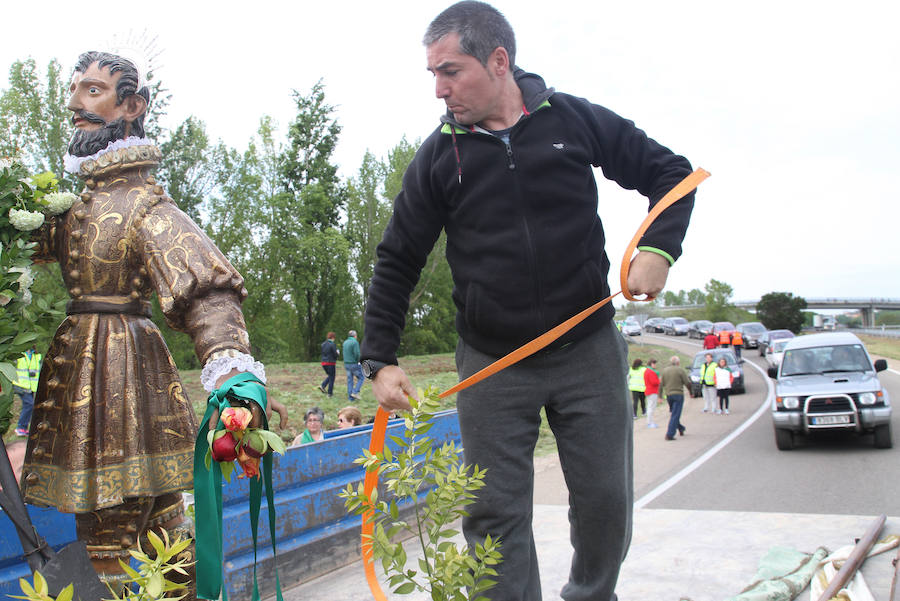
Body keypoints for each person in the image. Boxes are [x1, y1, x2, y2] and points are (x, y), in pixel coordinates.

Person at [358, 3, 696, 599]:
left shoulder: (572, 119)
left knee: (605, 502)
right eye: (433, 74)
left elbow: (672, 173)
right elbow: (397, 259)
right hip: (492, 363)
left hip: (587, 350)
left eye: (450, 71)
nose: (439, 90)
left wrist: (658, 248)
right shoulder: (438, 157)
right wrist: (379, 358)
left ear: (498, 61)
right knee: (493, 515)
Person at [20, 49, 286, 587]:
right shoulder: (69, 205)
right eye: (75, 89)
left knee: (127, 534)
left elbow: (206, 292)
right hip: (82, 371)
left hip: (127, 377)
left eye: (92, 90)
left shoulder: (146, 205)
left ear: (132, 106)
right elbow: (16, 249)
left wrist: (234, 376)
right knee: (152, 530)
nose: (74, 103)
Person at [12, 346, 42, 436]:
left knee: (30, 405)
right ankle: (21, 427)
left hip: (31, 386)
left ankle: (25, 428)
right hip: (20, 385)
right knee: (29, 404)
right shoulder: (18, 355)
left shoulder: (36, 356)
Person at [660, 356, 691, 441]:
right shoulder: (680, 370)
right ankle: (669, 434)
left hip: (669, 395)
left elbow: (661, 384)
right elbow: (687, 383)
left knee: (674, 413)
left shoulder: (665, 371)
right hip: (678, 395)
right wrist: (691, 392)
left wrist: (660, 396)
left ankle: (681, 428)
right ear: (678, 363)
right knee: (675, 414)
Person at [343, 330, 363, 401]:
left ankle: (350, 398)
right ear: (355, 336)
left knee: (350, 380)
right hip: (353, 364)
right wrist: (359, 361)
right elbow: (357, 353)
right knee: (361, 377)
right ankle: (355, 392)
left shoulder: (345, 342)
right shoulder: (355, 342)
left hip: (346, 364)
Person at [319, 332, 339, 396]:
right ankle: (330, 393)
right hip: (330, 363)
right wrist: (338, 353)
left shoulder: (323, 344)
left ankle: (323, 386)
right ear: (333, 337)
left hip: (323, 363)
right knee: (332, 378)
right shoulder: (332, 344)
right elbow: (335, 354)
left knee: (330, 376)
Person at [643, 358, 660, 428]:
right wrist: (659, 380)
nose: (655, 365)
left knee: (650, 406)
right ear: (651, 364)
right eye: (654, 363)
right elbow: (654, 382)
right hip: (652, 391)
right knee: (651, 407)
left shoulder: (647, 371)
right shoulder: (651, 372)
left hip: (649, 390)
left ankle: (650, 422)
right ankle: (650, 422)